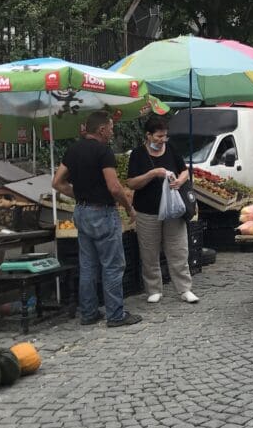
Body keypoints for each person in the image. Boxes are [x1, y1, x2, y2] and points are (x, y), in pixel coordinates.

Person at [53, 111, 141, 327]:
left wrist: (80, 196)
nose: (112, 131)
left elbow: (57, 182)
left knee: (88, 265)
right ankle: (115, 315)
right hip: (103, 212)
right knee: (112, 265)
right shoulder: (103, 152)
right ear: (101, 129)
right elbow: (114, 187)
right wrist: (128, 207)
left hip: (81, 212)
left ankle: (89, 313)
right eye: (111, 128)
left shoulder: (73, 150)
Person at [125, 115, 200, 306]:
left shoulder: (172, 148)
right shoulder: (137, 154)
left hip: (173, 210)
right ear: (148, 135)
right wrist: (152, 174)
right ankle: (154, 289)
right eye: (158, 136)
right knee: (149, 250)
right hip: (147, 210)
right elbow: (131, 182)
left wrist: (180, 181)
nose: (162, 140)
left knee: (178, 249)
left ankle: (184, 288)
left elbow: (185, 171)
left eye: (164, 136)